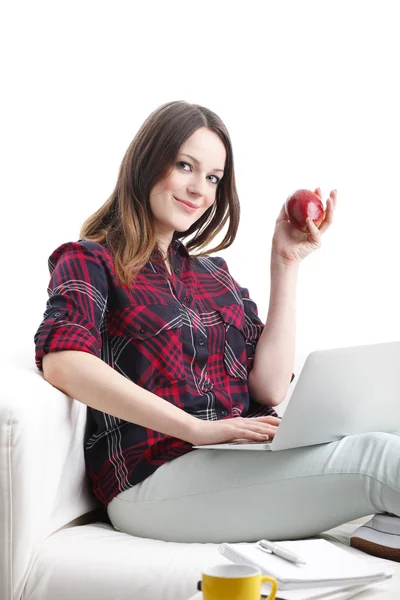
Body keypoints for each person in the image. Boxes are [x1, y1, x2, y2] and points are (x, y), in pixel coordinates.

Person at [34, 100, 400, 561]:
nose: (199, 189)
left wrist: (285, 262)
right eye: (185, 166)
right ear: (147, 164)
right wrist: (194, 429)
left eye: (212, 177)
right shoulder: (90, 259)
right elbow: (64, 361)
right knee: (379, 460)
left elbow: (267, 386)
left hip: (236, 461)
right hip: (150, 481)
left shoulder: (213, 274)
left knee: (391, 436)